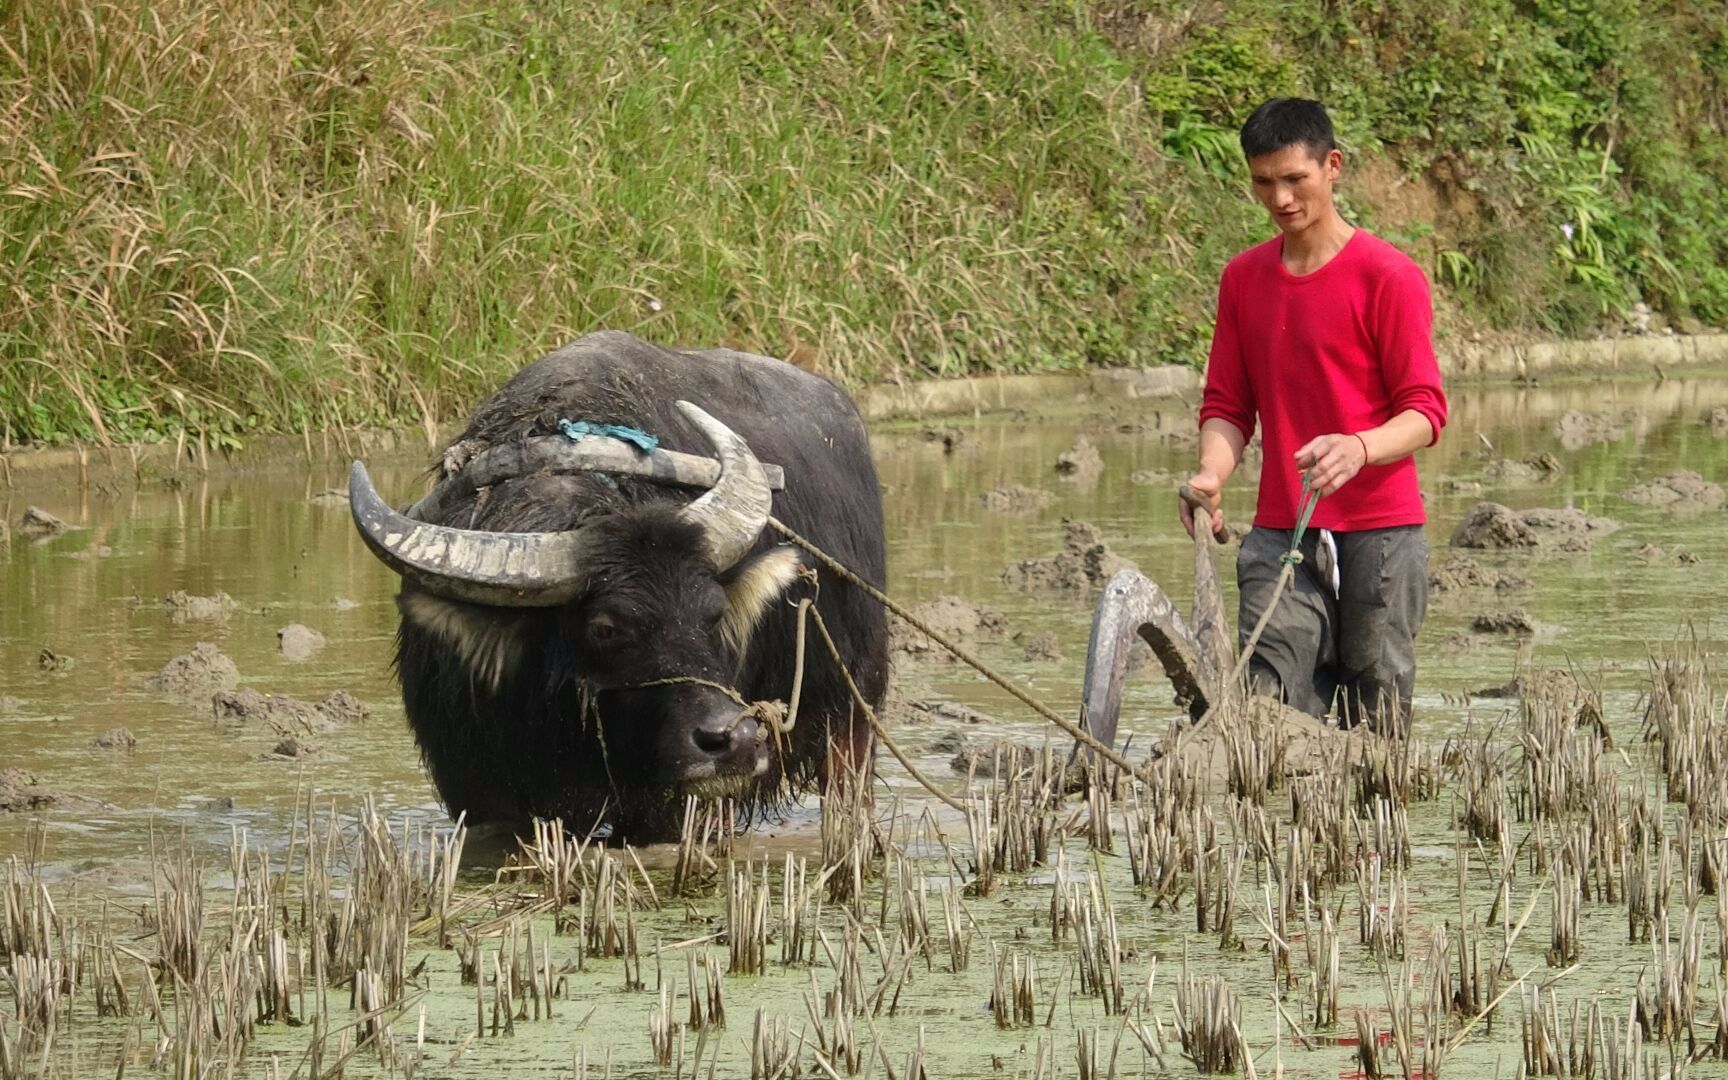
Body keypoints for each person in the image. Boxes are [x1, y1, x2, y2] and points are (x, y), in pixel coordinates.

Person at [1178, 98, 1448, 733]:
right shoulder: (1243, 279)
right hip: (1280, 529)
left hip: (1380, 530)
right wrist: (1212, 475)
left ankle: (1373, 827)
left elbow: (1426, 411)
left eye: (1295, 179)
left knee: (1376, 704)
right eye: (1263, 182)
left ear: (1332, 167)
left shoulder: (1389, 277)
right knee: (1269, 698)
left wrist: (1358, 446)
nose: (1280, 198)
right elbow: (1226, 405)